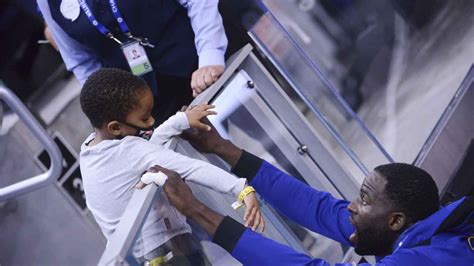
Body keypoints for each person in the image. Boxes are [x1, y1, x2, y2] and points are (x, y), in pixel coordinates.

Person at [150, 119, 474, 265]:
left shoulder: (423, 259)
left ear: (395, 221)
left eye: (363, 199)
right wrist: (223, 148)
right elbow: (318, 208)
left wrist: (199, 212)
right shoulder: (420, 231)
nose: (351, 206)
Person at [78, 68, 264, 263]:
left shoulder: (91, 150)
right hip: (167, 253)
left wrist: (181, 120)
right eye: (144, 118)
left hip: (144, 255)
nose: (152, 121)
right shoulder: (129, 150)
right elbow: (189, 167)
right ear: (115, 127)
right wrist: (241, 189)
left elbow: (145, 150)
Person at [37, 0, 227, 123]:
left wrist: (210, 54)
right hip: (145, 97)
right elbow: (82, 62)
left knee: (249, 122)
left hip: (200, 57)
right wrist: (116, 111)